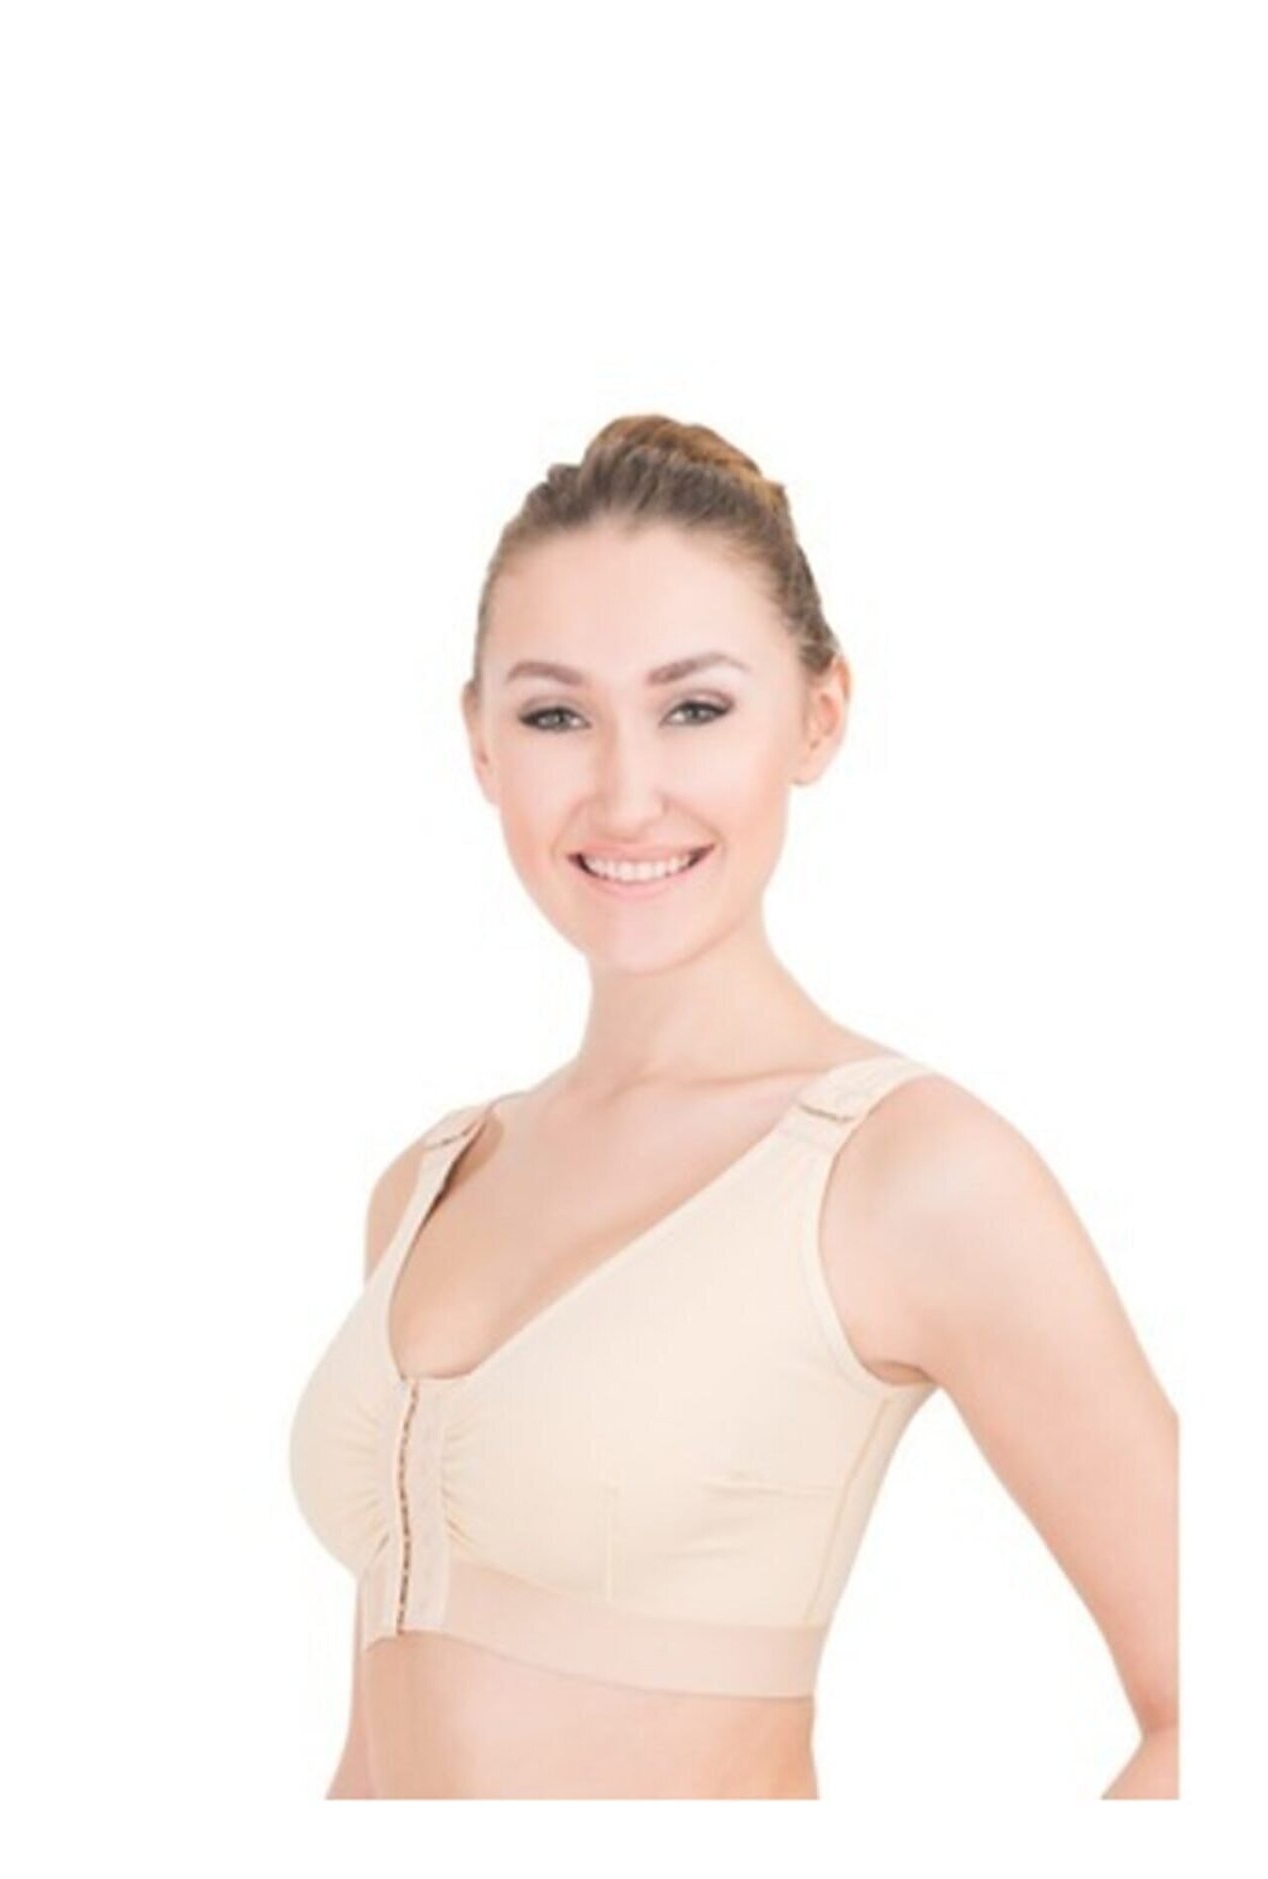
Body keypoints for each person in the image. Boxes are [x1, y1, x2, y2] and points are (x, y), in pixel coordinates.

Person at [289, 414, 1179, 1800]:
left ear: (818, 717)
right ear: (480, 744)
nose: (625, 793)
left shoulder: (906, 1173)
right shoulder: (428, 1182)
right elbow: (385, 1730)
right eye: (555, 715)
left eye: (694, 709)